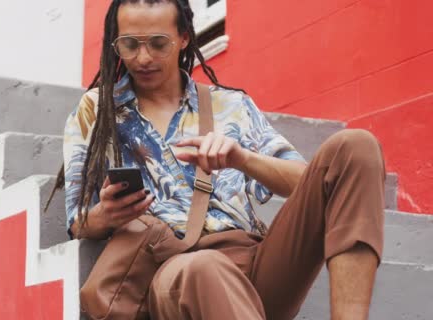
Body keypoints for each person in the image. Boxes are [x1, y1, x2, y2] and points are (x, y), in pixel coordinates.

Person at [56, 0, 385, 319]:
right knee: (202, 267)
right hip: (172, 271)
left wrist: (242, 159)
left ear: (184, 37)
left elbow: (313, 183)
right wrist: (105, 214)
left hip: (255, 267)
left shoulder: (231, 105)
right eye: (129, 44)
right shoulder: (98, 110)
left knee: (355, 146)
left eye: (158, 43)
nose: (142, 58)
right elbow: (77, 220)